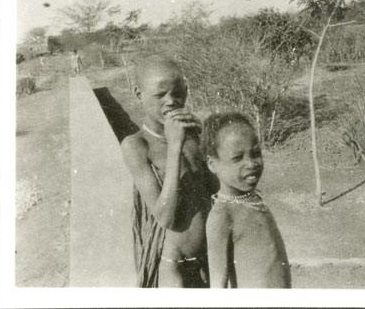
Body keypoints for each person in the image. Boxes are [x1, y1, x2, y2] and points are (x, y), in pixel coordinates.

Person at [121, 55, 216, 288]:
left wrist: (208, 142)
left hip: (211, 257)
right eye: (160, 94)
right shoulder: (136, 145)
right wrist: (175, 147)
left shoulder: (192, 133)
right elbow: (166, 218)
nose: (172, 101)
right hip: (174, 268)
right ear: (138, 93)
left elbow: (214, 188)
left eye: (178, 92)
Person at [202, 112, 292, 288]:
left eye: (256, 153)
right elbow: (217, 285)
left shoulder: (252, 198)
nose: (251, 163)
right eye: (237, 158)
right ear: (213, 164)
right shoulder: (222, 215)